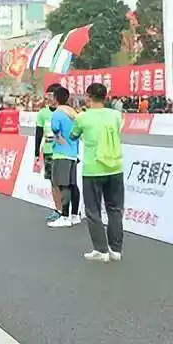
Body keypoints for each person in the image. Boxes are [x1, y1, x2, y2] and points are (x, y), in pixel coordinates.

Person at [70, 83, 125, 262]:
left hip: (94, 169)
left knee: (93, 211)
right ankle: (115, 249)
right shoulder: (116, 115)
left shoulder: (82, 117)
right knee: (115, 209)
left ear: (88, 97)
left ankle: (101, 250)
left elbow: (73, 135)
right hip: (115, 167)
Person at [48, 87, 82, 228]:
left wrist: (57, 137)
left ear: (56, 99)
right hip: (73, 153)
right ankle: (74, 215)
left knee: (64, 185)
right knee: (73, 184)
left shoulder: (58, 113)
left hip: (61, 153)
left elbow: (55, 129)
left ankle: (65, 216)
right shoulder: (73, 113)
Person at [34, 85, 65, 221]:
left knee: (65, 183)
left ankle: (68, 210)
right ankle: (58, 209)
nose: (49, 99)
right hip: (49, 152)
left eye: (52, 95)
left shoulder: (65, 112)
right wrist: (36, 154)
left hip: (64, 153)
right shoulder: (42, 113)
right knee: (54, 183)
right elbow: (38, 133)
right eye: (48, 96)